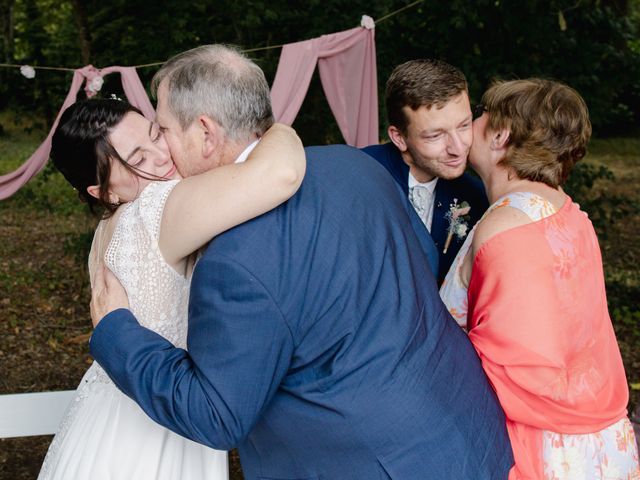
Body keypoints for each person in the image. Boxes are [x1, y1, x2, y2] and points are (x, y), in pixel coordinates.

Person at [89, 44, 514, 479]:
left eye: (164, 129)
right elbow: (422, 256)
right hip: (468, 426)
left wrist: (116, 332)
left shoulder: (233, 261)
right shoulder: (354, 165)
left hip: (375, 463)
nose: (162, 148)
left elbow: (215, 414)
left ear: (205, 132)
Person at [38, 98, 306, 479]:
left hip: (103, 419)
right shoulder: (156, 208)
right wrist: (275, 127)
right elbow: (281, 173)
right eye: (138, 159)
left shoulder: (106, 233)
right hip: (149, 435)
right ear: (103, 192)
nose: (161, 157)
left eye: (156, 135)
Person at [440, 78, 640, 479]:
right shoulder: (571, 214)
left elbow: (502, 362)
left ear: (501, 135)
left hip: (546, 448)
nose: (471, 123)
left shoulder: (504, 228)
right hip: (602, 440)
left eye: (480, 116)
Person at [362, 59, 489, 285]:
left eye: (464, 125)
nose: (458, 148)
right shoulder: (361, 173)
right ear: (399, 137)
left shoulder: (477, 196)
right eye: (435, 136)